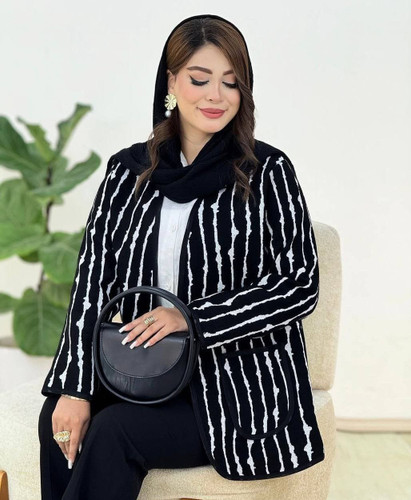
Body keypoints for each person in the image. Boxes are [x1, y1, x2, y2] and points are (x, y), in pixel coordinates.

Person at [38, 14, 325, 500]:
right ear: (171, 82)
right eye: (200, 79)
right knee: (58, 419)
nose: (216, 96)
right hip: (141, 367)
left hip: (232, 386)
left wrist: (190, 318)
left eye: (231, 82)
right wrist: (75, 386)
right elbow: (92, 279)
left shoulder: (267, 171)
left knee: (113, 432)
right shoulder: (128, 171)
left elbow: (299, 284)